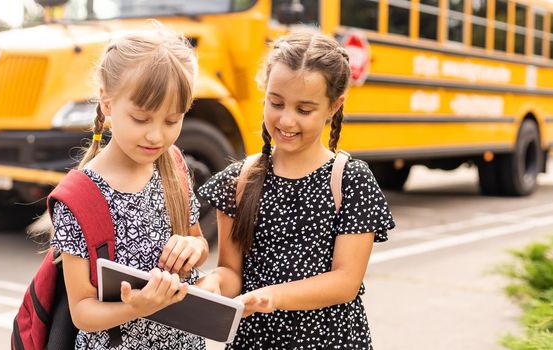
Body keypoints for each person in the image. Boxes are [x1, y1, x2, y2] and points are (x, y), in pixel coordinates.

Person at [197, 31, 395, 349]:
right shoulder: (239, 181)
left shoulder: (350, 180)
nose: (286, 120)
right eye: (276, 103)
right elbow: (230, 272)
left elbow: (346, 281)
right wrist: (212, 285)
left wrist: (274, 296)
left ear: (334, 106)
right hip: (255, 342)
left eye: (304, 110)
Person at [49, 24, 209, 350]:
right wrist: (135, 308)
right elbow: (82, 311)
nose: (156, 136)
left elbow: (197, 241)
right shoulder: (80, 197)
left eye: (172, 120)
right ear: (107, 102)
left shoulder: (173, 164)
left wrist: (193, 249)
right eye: (141, 119)